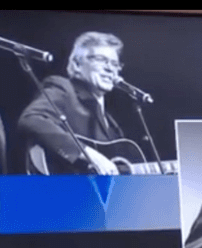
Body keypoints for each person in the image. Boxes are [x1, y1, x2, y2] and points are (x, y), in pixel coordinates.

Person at [17, 31, 124, 175]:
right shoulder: (64, 88)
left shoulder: (112, 125)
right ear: (77, 64)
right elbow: (32, 119)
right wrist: (87, 153)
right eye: (100, 59)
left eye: (115, 64)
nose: (110, 68)